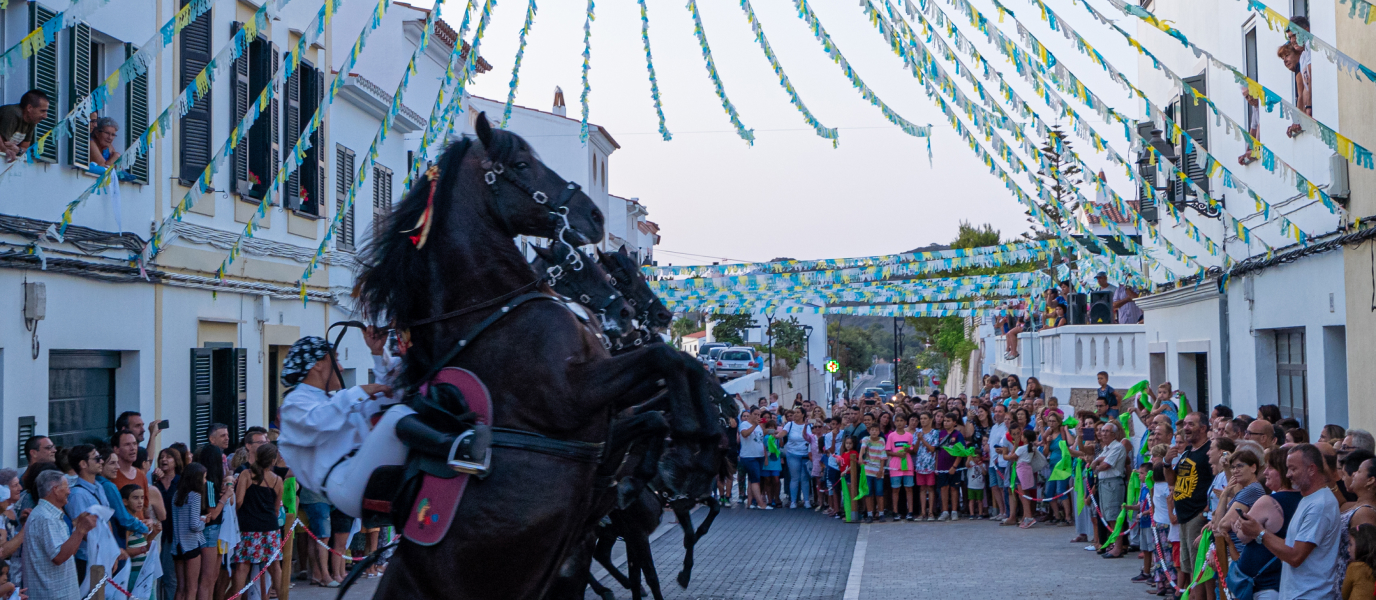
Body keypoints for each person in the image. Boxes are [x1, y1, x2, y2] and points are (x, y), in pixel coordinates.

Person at [1238, 444, 1341, 600]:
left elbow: (1295, 557)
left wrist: (1259, 532)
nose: (1288, 475)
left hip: (1311, 595)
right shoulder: (1308, 499)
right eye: (1287, 469)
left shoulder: (1320, 504)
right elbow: (1289, 546)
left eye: (1293, 469)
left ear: (1311, 469)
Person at [25, 470, 100, 600]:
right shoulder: (46, 517)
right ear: (55, 489)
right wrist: (80, 530)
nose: (69, 492)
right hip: (52, 595)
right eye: (66, 487)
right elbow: (59, 557)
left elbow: (69, 553)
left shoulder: (51, 515)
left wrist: (79, 529)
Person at [1166, 413, 1213, 593]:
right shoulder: (1187, 452)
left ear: (1203, 428)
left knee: (1198, 569)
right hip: (1184, 517)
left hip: (1196, 516)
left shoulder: (1208, 451)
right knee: (1188, 567)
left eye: (1190, 424)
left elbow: (1215, 483)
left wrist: (1204, 513)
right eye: (1184, 424)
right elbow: (1173, 481)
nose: (1185, 428)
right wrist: (1166, 463)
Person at [231, 443, 282, 600]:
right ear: (273, 461)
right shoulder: (277, 480)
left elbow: (238, 501)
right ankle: (282, 596)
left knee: (242, 567)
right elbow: (276, 509)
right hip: (270, 527)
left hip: (248, 526)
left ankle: (237, 598)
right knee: (275, 567)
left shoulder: (246, 474)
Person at [1093, 421, 1128, 557]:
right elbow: (1095, 464)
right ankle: (1113, 544)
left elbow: (1105, 465)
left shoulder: (1117, 447)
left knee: (1114, 516)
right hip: (1104, 483)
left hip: (1112, 484)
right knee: (1108, 515)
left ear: (1114, 434)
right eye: (1102, 431)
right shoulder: (1106, 449)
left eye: (1107, 431)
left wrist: (1098, 463)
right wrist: (1097, 462)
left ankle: (1117, 548)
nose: (1104, 433)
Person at [173, 463, 208, 600]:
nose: (205, 481)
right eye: (204, 478)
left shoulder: (177, 494)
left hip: (177, 546)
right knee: (192, 588)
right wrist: (203, 522)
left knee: (180, 588)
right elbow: (194, 525)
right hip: (191, 544)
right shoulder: (195, 496)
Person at [153, 448, 183, 600]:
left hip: (174, 535)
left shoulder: (181, 482)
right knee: (155, 577)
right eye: (161, 457)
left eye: (168, 457)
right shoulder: (155, 483)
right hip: (156, 535)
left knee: (170, 577)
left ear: (176, 461)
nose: (164, 459)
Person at [119, 484, 156, 588]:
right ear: (125, 501)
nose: (140, 501)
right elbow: (124, 551)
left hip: (143, 570)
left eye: (142, 497)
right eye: (135, 498)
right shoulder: (128, 525)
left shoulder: (137, 522)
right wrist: (143, 549)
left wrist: (154, 533)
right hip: (133, 572)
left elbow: (144, 542)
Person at [0, 90, 49, 162]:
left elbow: (25, 148)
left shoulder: (31, 121)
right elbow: (4, 145)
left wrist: (18, 150)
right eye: (42, 111)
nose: (45, 116)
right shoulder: (12, 114)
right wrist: (5, 149)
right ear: (29, 108)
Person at [935, 412, 966, 522]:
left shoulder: (958, 435)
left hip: (954, 467)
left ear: (954, 422)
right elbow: (937, 451)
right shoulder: (940, 434)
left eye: (948, 421)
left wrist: (954, 466)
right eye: (945, 420)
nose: (946, 422)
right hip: (942, 466)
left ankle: (954, 511)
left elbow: (961, 452)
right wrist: (936, 467)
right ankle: (944, 511)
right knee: (943, 488)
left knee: (954, 488)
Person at [781, 409, 813, 509]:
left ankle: (806, 500)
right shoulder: (790, 425)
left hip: (805, 454)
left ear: (803, 414)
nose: (795, 414)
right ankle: (793, 501)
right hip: (792, 454)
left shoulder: (809, 425)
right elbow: (783, 433)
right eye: (794, 413)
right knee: (794, 478)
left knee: (805, 478)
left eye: (798, 412)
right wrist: (776, 435)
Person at [886, 414, 915, 522]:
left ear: (905, 422)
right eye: (897, 420)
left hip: (907, 465)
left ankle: (910, 511)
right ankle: (895, 512)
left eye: (901, 420)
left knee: (909, 488)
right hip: (895, 466)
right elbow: (888, 451)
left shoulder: (909, 436)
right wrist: (898, 455)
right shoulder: (891, 436)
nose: (899, 423)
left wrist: (908, 451)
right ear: (894, 422)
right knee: (895, 489)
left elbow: (912, 449)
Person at [738, 410, 768, 510]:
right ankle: (760, 503)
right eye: (755, 414)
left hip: (759, 455)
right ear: (750, 414)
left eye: (759, 415)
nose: (757, 416)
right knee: (755, 480)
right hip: (749, 456)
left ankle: (750, 503)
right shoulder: (744, 424)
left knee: (752, 480)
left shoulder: (760, 425)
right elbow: (745, 434)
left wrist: (776, 431)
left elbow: (763, 435)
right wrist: (754, 425)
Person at [914, 412, 939, 521]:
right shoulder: (917, 432)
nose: (922, 420)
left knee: (931, 488)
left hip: (930, 465)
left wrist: (923, 439)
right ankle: (923, 512)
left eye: (925, 418)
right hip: (920, 465)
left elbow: (933, 448)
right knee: (922, 488)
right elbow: (914, 450)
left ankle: (930, 512)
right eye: (921, 418)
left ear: (930, 419)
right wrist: (919, 439)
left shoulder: (934, 433)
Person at [859, 424, 886, 523]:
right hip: (867, 471)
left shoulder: (882, 441)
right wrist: (860, 457)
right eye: (872, 430)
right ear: (869, 431)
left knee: (879, 493)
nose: (874, 432)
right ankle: (870, 514)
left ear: (879, 432)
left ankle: (881, 513)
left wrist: (881, 470)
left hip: (878, 470)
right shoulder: (866, 439)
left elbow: (883, 457)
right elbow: (863, 448)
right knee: (868, 493)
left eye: (876, 430)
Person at [1344, 524, 1376, 600]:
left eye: (1351, 545)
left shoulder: (1356, 567)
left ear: (1362, 545)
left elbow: (1344, 594)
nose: (1348, 549)